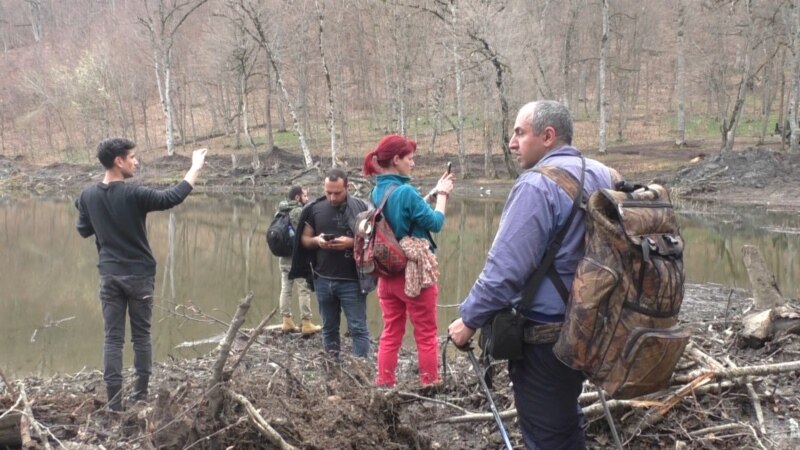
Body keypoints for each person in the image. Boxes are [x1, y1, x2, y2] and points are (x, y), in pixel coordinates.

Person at [448, 100, 621, 449]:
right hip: (599, 325)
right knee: (565, 417)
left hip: (548, 336)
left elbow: (505, 271)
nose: (512, 143)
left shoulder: (536, 185)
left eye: (519, 133)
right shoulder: (607, 175)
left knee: (548, 435)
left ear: (548, 136)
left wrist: (469, 319)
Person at [75, 138, 206, 411]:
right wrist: (195, 167)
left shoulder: (87, 196)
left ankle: (114, 403)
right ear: (118, 161)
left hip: (109, 275)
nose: (136, 162)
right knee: (141, 336)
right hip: (139, 275)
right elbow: (172, 197)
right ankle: (140, 395)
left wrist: (98, 216)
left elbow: (84, 230)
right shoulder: (134, 194)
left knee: (113, 338)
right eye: (132, 157)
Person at [362, 135, 454, 388]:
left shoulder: (377, 191)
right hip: (414, 275)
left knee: (391, 332)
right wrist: (443, 195)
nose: (413, 163)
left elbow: (403, 213)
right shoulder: (406, 192)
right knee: (426, 334)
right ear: (396, 160)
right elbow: (436, 223)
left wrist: (432, 193)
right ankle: (429, 384)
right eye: (410, 159)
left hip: (387, 274)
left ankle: (384, 383)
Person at [289, 168, 371, 358]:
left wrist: (351, 243)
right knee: (329, 328)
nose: (332, 198)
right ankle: (332, 368)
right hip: (323, 280)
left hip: (352, 281)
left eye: (337, 193)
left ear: (347, 188)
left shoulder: (361, 208)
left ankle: (361, 369)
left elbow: (375, 241)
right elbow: (304, 240)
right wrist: (317, 241)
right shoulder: (314, 208)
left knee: (358, 328)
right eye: (328, 192)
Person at [276, 186, 322, 335]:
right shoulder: (298, 211)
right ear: (297, 197)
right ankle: (306, 323)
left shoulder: (281, 210)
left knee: (285, 289)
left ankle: (287, 321)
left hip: (284, 257)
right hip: (297, 258)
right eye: (305, 196)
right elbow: (305, 234)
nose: (307, 199)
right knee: (304, 290)